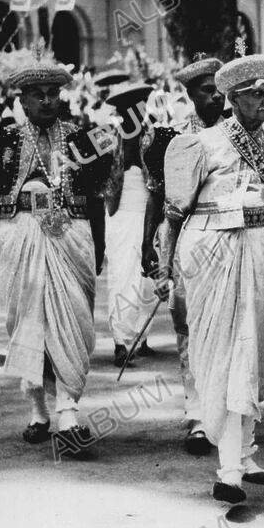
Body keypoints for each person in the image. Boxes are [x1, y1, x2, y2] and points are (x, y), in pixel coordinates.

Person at [162, 50, 264, 503]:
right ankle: (228, 472)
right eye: (255, 94)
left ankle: (244, 452)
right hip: (215, 255)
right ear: (233, 99)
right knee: (226, 353)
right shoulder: (201, 143)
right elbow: (175, 213)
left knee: (260, 348)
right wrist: (168, 267)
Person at [0, 46, 111, 455]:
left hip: (72, 234)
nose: (48, 100)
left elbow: (98, 196)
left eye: (53, 92)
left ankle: (69, 411)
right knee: (27, 320)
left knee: (73, 319)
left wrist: (97, 244)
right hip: (18, 233)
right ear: (22, 99)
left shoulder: (85, 137)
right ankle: (38, 410)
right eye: (39, 94)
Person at [140, 55, 224, 456]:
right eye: (207, 90)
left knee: (227, 330)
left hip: (230, 247)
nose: (217, 97)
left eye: (220, 88)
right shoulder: (169, 140)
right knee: (188, 330)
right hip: (185, 245)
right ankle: (196, 416)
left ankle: (226, 412)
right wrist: (150, 248)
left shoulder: (239, 135)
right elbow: (156, 194)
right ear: (190, 95)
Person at [102, 82, 156, 367]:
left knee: (146, 278)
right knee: (122, 275)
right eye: (132, 108)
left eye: (142, 107)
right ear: (122, 112)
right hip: (119, 212)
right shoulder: (107, 137)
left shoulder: (154, 135)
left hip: (147, 210)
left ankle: (141, 337)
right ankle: (120, 342)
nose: (139, 112)